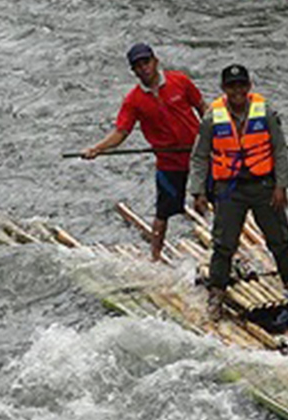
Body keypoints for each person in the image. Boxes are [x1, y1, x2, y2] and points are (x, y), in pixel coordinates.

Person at [189, 65, 288, 321]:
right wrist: (197, 191)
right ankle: (216, 295)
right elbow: (200, 157)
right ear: (224, 89)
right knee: (223, 245)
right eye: (232, 86)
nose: (237, 91)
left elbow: (279, 151)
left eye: (242, 85)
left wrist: (281, 186)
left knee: (280, 239)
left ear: (249, 86)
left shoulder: (265, 114)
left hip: (263, 186)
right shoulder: (212, 118)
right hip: (229, 190)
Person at [82, 43, 206, 261]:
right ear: (134, 71)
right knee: (163, 213)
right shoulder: (133, 101)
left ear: (155, 61)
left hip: (199, 157)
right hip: (169, 162)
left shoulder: (180, 81)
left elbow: (203, 108)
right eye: (138, 66)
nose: (143, 68)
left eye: (146, 62)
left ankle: (218, 242)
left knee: (218, 199)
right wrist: (97, 149)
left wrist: (217, 135)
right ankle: (155, 257)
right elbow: (121, 133)